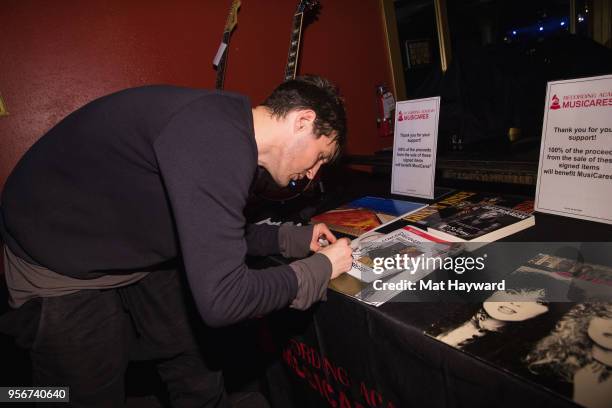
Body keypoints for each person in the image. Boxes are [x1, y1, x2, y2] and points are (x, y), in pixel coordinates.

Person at [0, 75, 353, 407]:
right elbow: (224, 299)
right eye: (320, 156)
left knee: (192, 357)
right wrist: (320, 269)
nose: (313, 173)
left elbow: (213, 233)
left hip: (133, 244)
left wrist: (291, 238)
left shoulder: (230, 130)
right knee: (84, 391)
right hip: (58, 257)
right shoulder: (214, 140)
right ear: (303, 121)